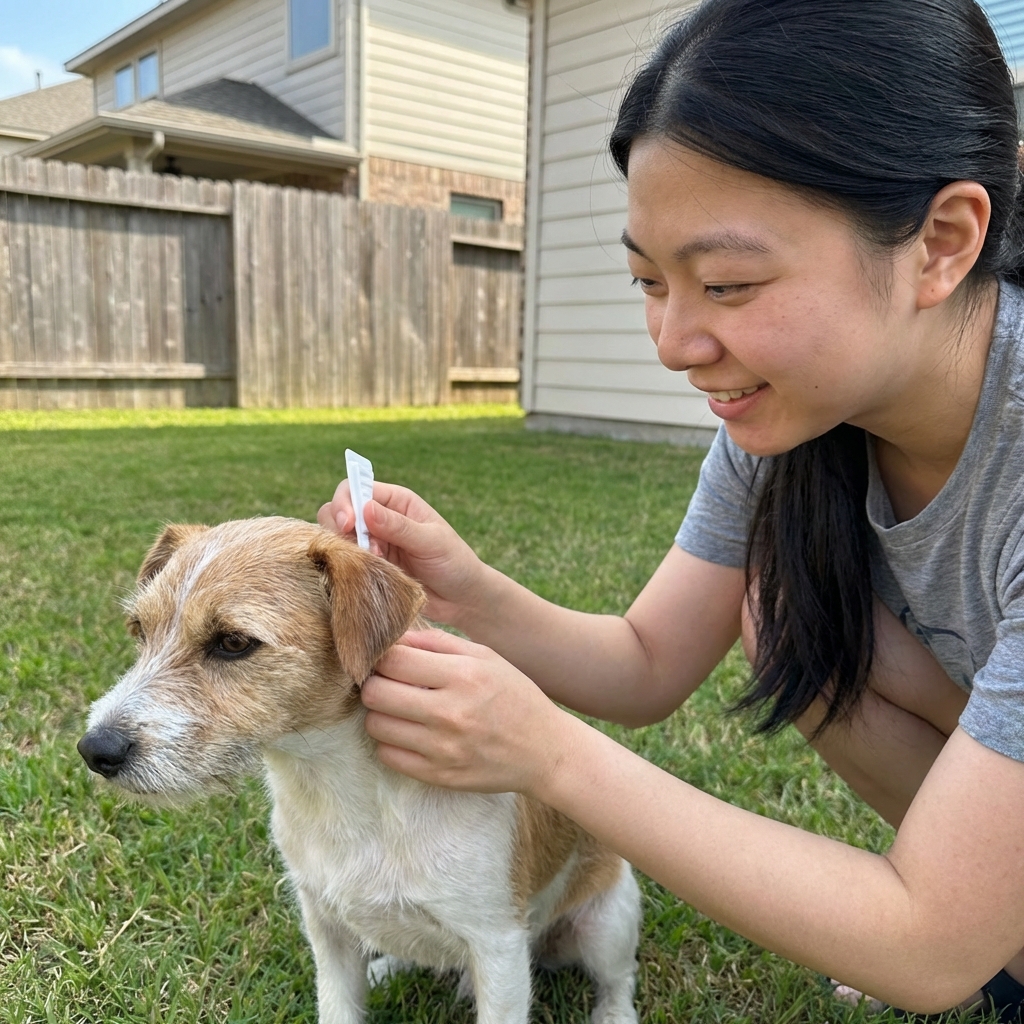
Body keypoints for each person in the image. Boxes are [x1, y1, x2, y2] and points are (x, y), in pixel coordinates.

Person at [318, 0, 1024, 1018]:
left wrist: (550, 755)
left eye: (728, 283)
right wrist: (462, 588)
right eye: (649, 280)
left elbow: (923, 956)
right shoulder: (790, 423)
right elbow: (646, 661)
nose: (674, 339)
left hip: (942, 932)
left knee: (933, 931)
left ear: (942, 241)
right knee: (784, 610)